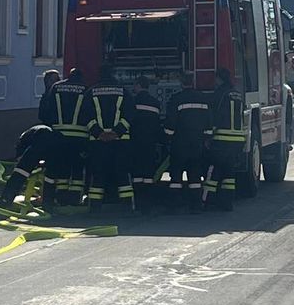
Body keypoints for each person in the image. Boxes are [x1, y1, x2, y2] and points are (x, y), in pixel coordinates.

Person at [81, 64, 134, 213]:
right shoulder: (123, 91)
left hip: (98, 142)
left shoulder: (91, 92)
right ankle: (127, 207)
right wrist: (117, 132)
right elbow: (130, 113)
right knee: (122, 174)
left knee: (98, 174)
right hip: (120, 142)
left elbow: (85, 115)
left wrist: (99, 133)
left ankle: (95, 208)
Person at [38, 68, 87, 208]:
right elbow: (89, 112)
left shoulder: (56, 88)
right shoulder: (86, 89)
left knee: (61, 168)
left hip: (58, 135)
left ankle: (60, 197)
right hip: (80, 137)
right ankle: (75, 199)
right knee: (77, 169)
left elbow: (46, 111)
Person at [164, 73, 212, 211]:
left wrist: (167, 138)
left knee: (176, 175)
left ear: (181, 82)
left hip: (179, 144)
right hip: (197, 144)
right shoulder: (203, 99)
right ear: (193, 82)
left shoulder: (176, 99)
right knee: (195, 175)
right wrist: (206, 139)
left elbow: (170, 122)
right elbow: (209, 122)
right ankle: (196, 205)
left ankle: (174, 205)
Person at [203, 67, 246, 211]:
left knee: (214, 170)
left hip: (222, 140)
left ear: (219, 79)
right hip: (237, 141)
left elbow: (214, 116)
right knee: (229, 174)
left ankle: (207, 201)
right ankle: (227, 203)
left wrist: (208, 136)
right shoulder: (238, 94)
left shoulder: (219, 94)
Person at [0, 124, 58, 208]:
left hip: (41, 140)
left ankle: (5, 199)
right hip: (55, 144)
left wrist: (25, 165)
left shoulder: (23, 141)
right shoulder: (38, 132)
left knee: (20, 172)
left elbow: (23, 159)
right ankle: (48, 203)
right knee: (50, 178)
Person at [129, 75, 163, 213]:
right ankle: (148, 201)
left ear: (138, 85)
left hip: (135, 141)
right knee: (148, 172)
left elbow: (129, 121)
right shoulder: (155, 103)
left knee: (137, 172)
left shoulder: (132, 101)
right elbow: (157, 124)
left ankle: (138, 200)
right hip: (150, 142)